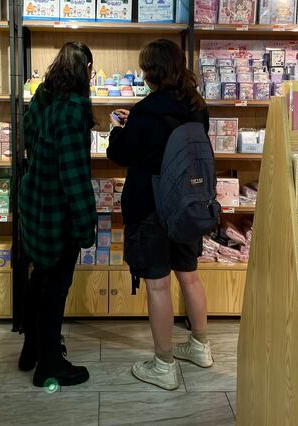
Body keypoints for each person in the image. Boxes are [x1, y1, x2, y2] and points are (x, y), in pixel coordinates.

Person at [107, 39, 213, 391]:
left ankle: (163, 365)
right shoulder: (196, 107)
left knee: (158, 285)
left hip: (150, 205)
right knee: (190, 277)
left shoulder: (145, 112)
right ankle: (200, 347)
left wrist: (118, 128)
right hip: (187, 203)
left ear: (151, 72)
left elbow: (121, 154)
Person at [18, 41, 97, 388]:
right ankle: (49, 363)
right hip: (55, 212)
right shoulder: (72, 110)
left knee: (39, 277)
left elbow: (30, 141)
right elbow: (74, 176)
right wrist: (86, 226)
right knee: (55, 288)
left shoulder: (42, 97)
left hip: (33, 203)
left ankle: (31, 347)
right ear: (85, 72)